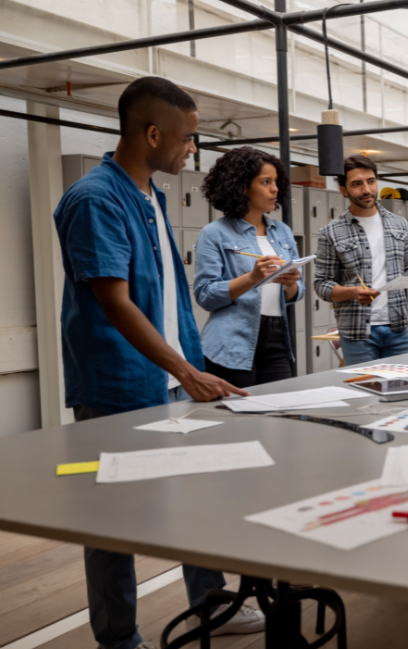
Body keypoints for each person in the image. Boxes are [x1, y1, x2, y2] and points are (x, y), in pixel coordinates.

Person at [52, 77, 260, 649]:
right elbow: (114, 302)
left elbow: (167, 299)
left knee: (195, 495)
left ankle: (211, 607)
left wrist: (187, 367)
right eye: (188, 138)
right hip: (118, 383)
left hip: (172, 377)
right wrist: (188, 371)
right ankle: (119, 638)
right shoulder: (95, 199)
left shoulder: (152, 196)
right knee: (111, 519)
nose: (192, 149)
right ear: (152, 134)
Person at [194, 147, 305, 388]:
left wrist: (291, 284)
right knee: (239, 411)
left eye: (275, 181)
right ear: (242, 187)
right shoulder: (214, 233)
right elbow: (205, 295)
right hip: (231, 342)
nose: (275, 189)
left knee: (280, 406)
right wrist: (252, 278)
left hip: (277, 338)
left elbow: (297, 292)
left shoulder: (283, 232)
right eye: (266, 182)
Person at [313, 155, 408, 365]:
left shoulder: (399, 224)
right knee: (364, 385)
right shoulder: (331, 232)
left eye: (371, 181)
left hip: (398, 328)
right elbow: (321, 284)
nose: (366, 190)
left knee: (407, 382)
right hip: (357, 333)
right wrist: (352, 292)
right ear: (343, 190)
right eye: (357, 184)